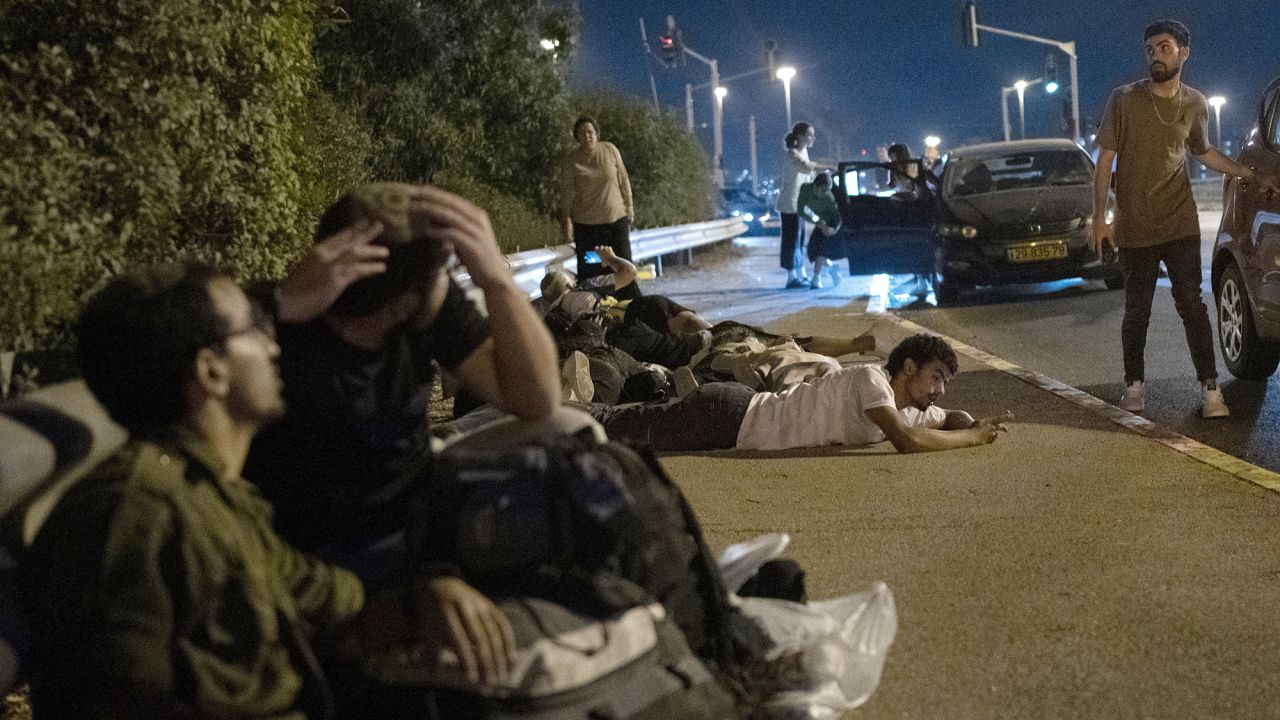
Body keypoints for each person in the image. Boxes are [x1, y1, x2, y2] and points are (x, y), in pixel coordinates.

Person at [21, 260, 515, 720]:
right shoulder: (137, 518)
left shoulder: (214, 495)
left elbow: (315, 594)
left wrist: (425, 597)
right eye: (255, 327)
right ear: (210, 370)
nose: (275, 343)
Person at [244, 183, 579, 579]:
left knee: (571, 428)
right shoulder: (258, 336)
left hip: (414, 490)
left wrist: (498, 283)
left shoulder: (421, 305)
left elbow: (537, 400)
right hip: (332, 542)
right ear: (403, 305)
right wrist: (278, 306)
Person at [1089, 19, 1280, 418]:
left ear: (1183, 53)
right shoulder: (1123, 100)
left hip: (1179, 223)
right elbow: (1105, 161)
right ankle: (1134, 387)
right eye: (1150, 50)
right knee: (1136, 310)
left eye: (1163, 47)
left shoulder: (1195, 103)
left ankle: (1211, 391)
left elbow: (1203, 151)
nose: (1155, 56)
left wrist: (1247, 172)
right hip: (1136, 227)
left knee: (1192, 306)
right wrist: (1099, 221)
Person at [591, 333, 1012, 453]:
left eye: (944, 384)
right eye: (936, 377)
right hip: (731, 414)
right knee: (615, 428)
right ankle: (541, 414)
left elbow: (948, 418)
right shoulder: (871, 382)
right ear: (908, 368)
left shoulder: (914, 410)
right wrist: (971, 438)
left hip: (733, 429)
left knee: (628, 427)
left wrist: (972, 423)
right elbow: (906, 442)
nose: (939, 390)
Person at [560, 115, 639, 300]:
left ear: (597, 134)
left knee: (623, 265)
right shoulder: (571, 161)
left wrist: (630, 204)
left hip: (615, 221)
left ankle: (630, 304)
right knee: (591, 268)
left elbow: (623, 178)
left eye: (590, 132)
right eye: (582, 133)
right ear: (576, 136)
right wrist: (566, 219)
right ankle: (593, 307)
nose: (587, 136)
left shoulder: (610, 150)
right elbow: (566, 192)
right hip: (588, 228)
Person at [777, 122, 831, 289]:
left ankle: (800, 273)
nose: (812, 138)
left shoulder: (804, 152)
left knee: (799, 240)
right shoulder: (792, 155)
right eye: (810, 135)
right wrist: (829, 168)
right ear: (800, 136)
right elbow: (807, 167)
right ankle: (791, 276)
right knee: (790, 240)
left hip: (799, 204)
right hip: (790, 204)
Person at [797, 172, 843, 290]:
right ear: (815, 186)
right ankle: (833, 268)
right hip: (820, 222)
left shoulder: (829, 198)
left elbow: (838, 217)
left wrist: (833, 229)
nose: (825, 194)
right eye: (823, 190)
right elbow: (801, 210)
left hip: (830, 223)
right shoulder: (805, 189)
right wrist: (816, 221)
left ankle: (816, 278)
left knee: (820, 250)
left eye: (827, 190)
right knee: (812, 250)